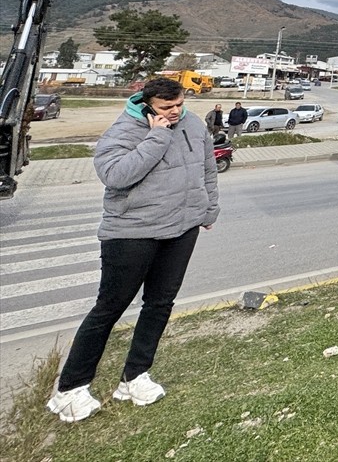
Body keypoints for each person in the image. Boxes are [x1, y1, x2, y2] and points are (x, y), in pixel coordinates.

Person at [46, 77, 219, 423]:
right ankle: (70, 389)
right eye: (166, 108)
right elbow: (115, 176)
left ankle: (135, 376)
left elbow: (207, 168)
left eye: (179, 105)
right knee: (109, 308)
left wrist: (209, 208)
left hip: (182, 227)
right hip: (132, 233)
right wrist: (157, 136)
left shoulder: (193, 124)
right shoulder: (124, 130)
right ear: (145, 104)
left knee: (160, 304)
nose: (174, 112)